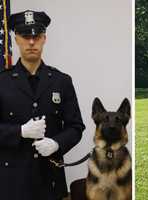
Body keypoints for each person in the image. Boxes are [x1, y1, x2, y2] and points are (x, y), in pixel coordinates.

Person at [0, 10, 85, 200]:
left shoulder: (61, 81)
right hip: (11, 184)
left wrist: (57, 143)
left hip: (49, 182)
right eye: (25, 36)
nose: (31, 42)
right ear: (16, 39)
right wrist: (19, 131)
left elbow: (76, 127)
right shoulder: (2, 82)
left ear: (44, 38)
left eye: (36, 36)